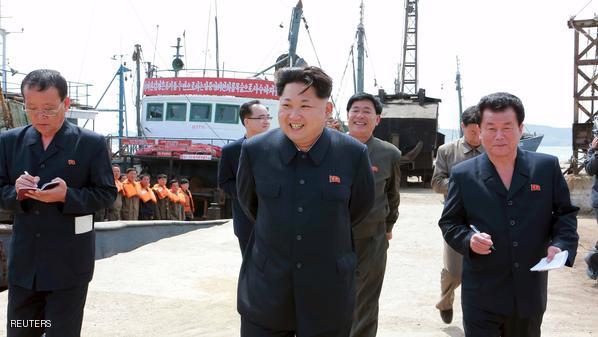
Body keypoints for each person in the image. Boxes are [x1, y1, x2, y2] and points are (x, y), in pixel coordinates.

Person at [237, 66, 375, 337]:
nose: (294, 115)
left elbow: (358, 209)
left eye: (305, 105)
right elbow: (250, 204)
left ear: (327, 108)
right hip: (267, 291)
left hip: (328, 293)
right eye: (286, 105)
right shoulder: (255, 151)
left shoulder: (352, 154)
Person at [438, 92, 579, 337]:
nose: (499, 136)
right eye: (491, 128)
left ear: (521, 128)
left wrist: (562, 245)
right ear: (479, 131)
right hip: (481, 291)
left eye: (507, 127)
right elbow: (450, 222)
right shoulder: (463, 174)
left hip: (528, 292)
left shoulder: (545, 168)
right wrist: (468, 240)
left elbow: (565, 214)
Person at [0, 69, 116, 336]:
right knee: (22, 330)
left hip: (69, 265)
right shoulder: (9, 142)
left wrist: (67, 196)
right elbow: (1, 190)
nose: (41, 116)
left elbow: (107, 193)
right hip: (25, 264)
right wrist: (16, 192)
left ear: (67, 103)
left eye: (50, 109)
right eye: (32, 108)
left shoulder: (90, 144)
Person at [346, 93, 401, 337]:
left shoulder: (389, 154)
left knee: (367, 299)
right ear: (347, 116)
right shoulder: (328, 147)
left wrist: (388, 225)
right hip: (331, 237)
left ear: (377, 119)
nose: (360, 116)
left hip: (373, 238)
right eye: (355, 110)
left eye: (367, 111)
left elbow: (392, 195)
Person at [430, 106, 483, 324]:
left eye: (480, 131)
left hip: (485, 218)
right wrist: (462, 185)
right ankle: (445, 302)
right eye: (472, 132)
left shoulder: (492, 150)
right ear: (463, 127)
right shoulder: (447, 151)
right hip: (456, 219)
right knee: (454, 272)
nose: (477, 136)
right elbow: (436, 182)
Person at [218, 99, 271, 253]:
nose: (266, 121)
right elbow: (224, 182)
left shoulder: (280, 147)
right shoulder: (231, 150)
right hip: (246, 221)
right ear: (246, 121)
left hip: (276, 221)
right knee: (250, 268)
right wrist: (249, 192)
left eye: (268, 117)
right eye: (261, 117)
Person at [584, 137, 598, 280]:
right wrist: (594, 150)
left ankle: (593, 259)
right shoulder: (593, 150)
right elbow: (590, 169)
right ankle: (593, 260)